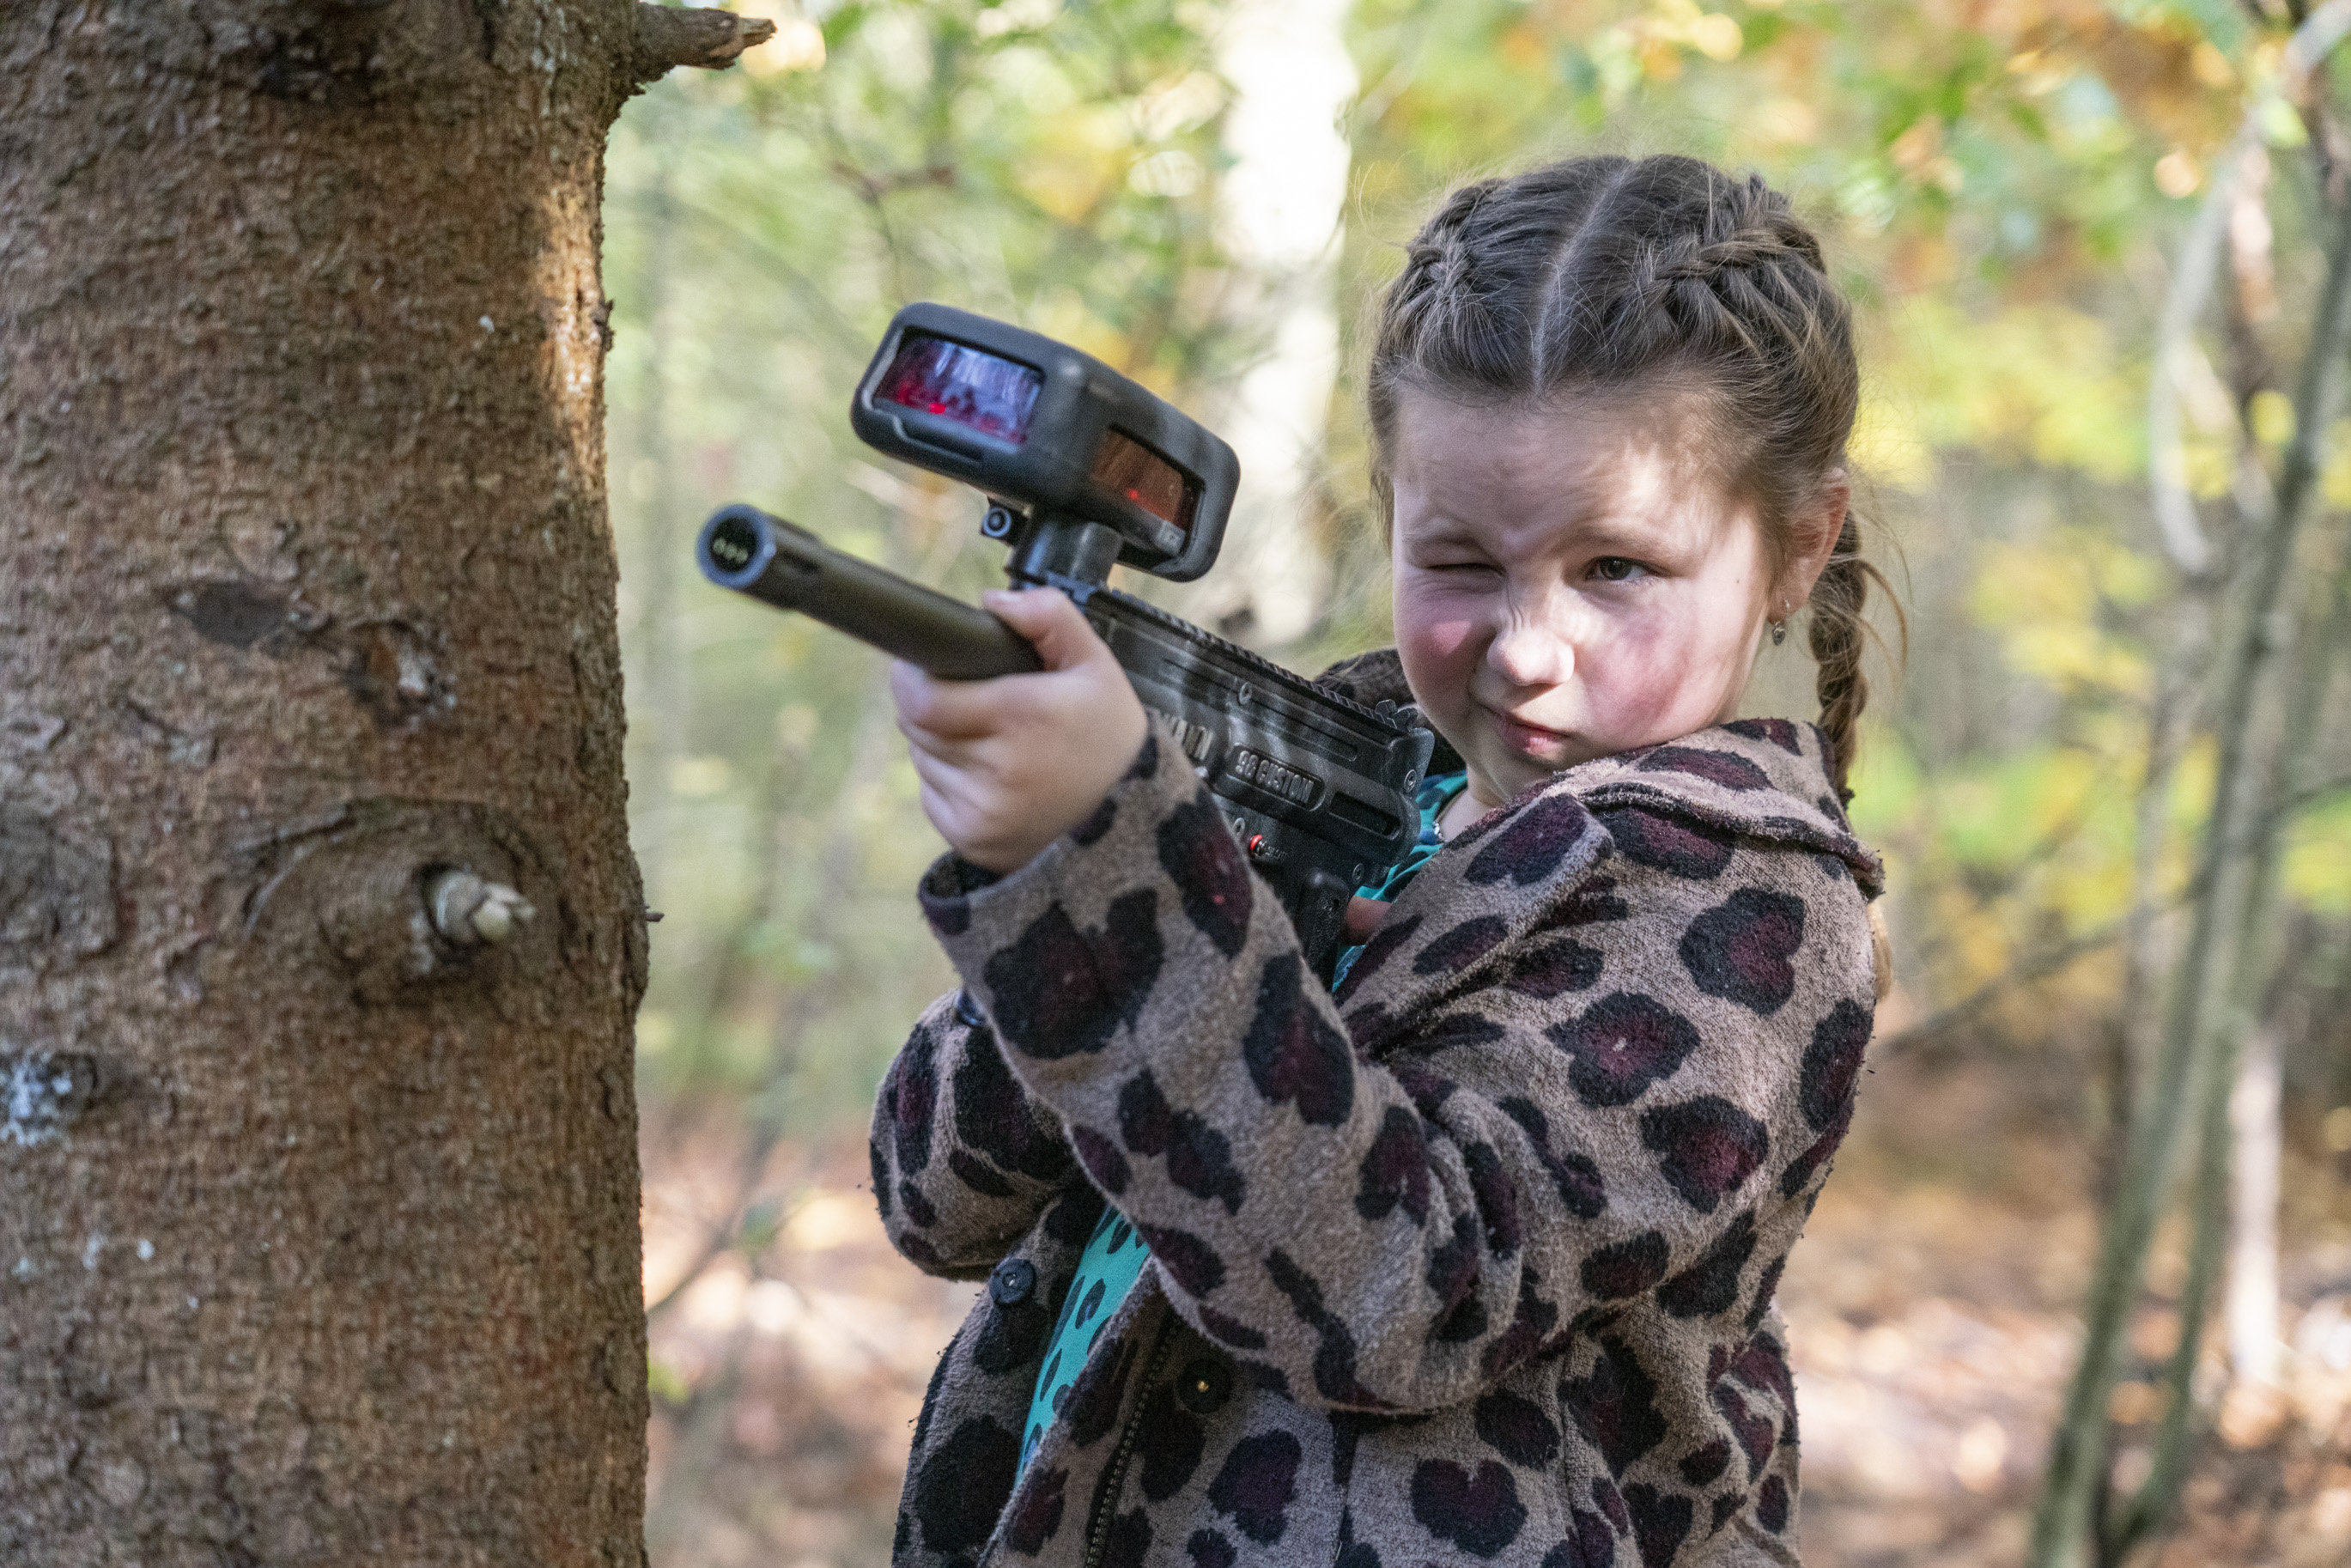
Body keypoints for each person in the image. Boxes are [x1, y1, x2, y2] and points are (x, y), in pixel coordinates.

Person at [868, 153, 1894, 1568]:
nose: (1527, 650)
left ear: (1796, 545)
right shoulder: (1342, 774)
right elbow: (937, 1191)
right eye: (1461, 562)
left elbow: (1407, 1286)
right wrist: (1066, 871)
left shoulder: (1747, 898)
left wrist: (1126, 892)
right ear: (1392, 507)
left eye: (1617, 570)